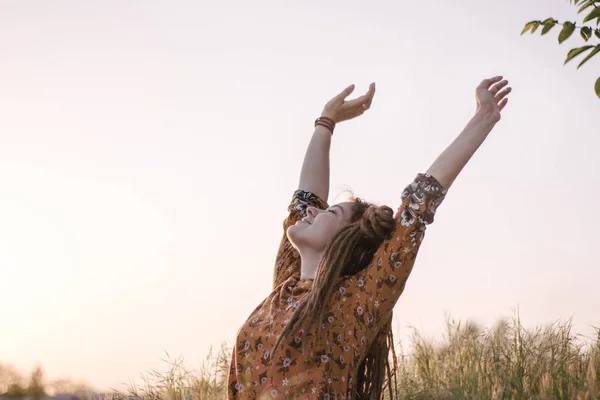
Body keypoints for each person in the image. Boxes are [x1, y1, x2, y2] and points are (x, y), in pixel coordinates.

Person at [228, 77, 511, 399]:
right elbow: (306, 197)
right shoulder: (287, 285)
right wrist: (326, 120)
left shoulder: (358, 300)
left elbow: (418, 204)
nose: (310, 213)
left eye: (329, 213)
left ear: (345, 241)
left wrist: (484, 116)